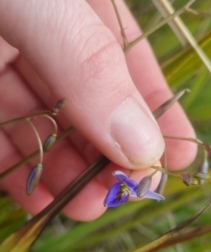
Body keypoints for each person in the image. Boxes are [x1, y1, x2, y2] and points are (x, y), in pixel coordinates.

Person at [0, 0, 196, 221]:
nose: (123, 192)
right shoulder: (124, 176)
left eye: (123, 191)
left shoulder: (125, 179)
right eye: (125, 190)